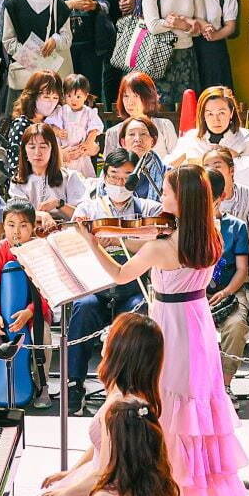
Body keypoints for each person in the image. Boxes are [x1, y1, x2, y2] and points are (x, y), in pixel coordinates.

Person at [75, 164, 249, 496]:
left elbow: (121, 274)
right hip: (198, 320)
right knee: (197, 405)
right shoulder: (209, 231)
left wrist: (93, 243)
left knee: (168, 404)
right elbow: (156, 239)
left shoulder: (162, 246)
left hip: (169, 323)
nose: (161, 199)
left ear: (182, 199)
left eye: (167, 193)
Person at [0, 311, 168, 496]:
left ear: (123, 351)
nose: (104, 339)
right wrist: (71, 473)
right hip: (93, 480)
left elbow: (108, 470)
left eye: (111, 335)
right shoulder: (131, 396)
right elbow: (100, 445)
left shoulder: (119, 409)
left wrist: (69, 493)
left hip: (100, 488)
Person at [67, 150, 162, 414]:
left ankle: (131, 385)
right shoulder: (89, 208)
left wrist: (121, 237)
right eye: (113, 177)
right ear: (104, 176)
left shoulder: (148, 209)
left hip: (131, 286)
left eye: (125, 178)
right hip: (97, 287)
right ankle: (74, 382)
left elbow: (157, 240)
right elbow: (75, 244)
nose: (119, 184)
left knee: (139, 311)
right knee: (82, 308)